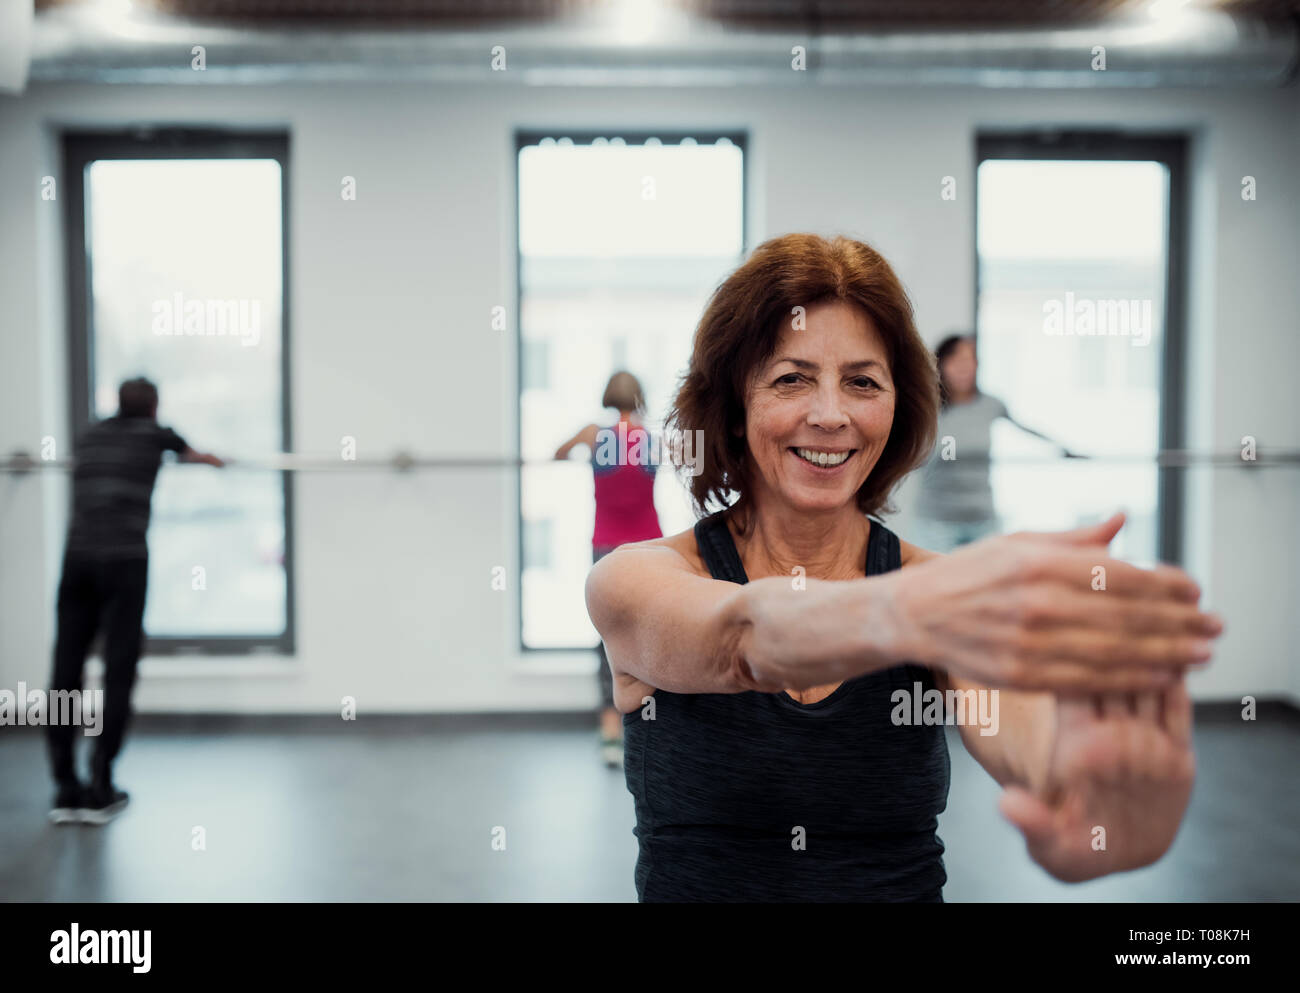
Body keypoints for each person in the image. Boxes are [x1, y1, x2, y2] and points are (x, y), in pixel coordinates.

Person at [585, 234, 1222, 902]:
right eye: (791, 378)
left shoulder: (938, 600)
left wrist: (1080, 784)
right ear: (736, 409)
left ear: (897, 407)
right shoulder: (636, 580)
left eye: (862, 382)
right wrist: (917, 607)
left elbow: (1021, 721)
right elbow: (744, 638)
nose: (830, 415)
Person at [47, 377, 225, 825]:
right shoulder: (156, 435)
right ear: (153, 407)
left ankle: (66, 789)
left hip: (77, 559)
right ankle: (102, 783)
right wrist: (211, 460)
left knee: (65, 669)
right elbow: (195, 454)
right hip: (124, 562)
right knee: (119, 669)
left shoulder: (90, 434)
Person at [554, 371, 662, 769]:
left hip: (607, 548)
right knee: (648, 632)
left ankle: (610, 732)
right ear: (640, 397)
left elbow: (557, 454)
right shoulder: (649, 436)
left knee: (607, 635)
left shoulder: (593, 434)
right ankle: (650, 724)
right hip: (651, 547)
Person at [913, 333, 1081, 552]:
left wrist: (1063, 449)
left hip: (982, 520)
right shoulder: (928, 408)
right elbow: (915, 455)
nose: (964, 367)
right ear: (941, 365)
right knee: (938, 584)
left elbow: (1026, 429)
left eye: (970, 359)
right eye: (957, 360)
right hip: (936, 522)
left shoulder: (990, 405)